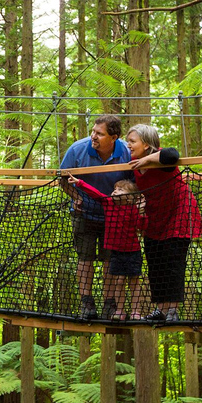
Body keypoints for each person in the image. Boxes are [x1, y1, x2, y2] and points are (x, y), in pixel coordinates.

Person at [127, 123, 202, 322]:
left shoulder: (162, 158)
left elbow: (172, 154)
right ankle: (161, 309)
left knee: (173, 262)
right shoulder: (132, 164)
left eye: (132, 141)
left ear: (146, 144)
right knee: (155, 262)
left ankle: (172, 311)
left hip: (179, 213)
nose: (129, 145)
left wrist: (147, 159)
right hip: (156, 216)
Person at [60, 115, 132, 319]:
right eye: (93, 131)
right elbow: (62, 180)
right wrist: (76, 197)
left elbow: (134, 184)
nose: (93, 136)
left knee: (110, 260)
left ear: (114, 137)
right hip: (84, 213)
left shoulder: (126, 152)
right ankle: (87, 304)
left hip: (114, 216)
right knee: (85, 258)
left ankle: (110, 304)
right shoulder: (77, 149)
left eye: (99, 133)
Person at [67, 174, 147, 320]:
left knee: (134, 282)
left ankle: (136, 311)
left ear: (130, 198)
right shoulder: (109, 203)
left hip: (133, 251)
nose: (115, 191)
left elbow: (141, 227)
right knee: (119, 281)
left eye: (121, 190)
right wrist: (80, 183)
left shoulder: (133, 209)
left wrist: (141, 212)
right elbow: (95, 193)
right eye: (115, 189)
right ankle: (120, 311)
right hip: (116, 251)